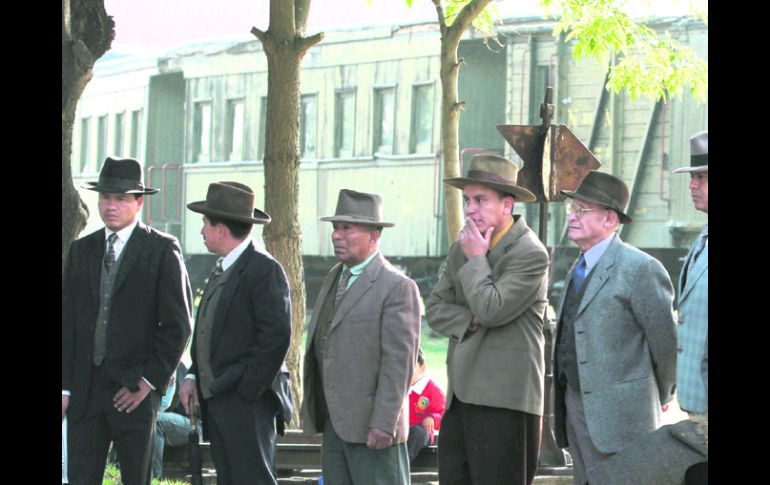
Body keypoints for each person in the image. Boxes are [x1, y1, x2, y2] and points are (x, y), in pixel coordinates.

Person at [62, 156, 193, 485]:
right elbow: (67, 324)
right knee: (79, 477)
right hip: (84, 390)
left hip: (132, 391)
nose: (111, 205)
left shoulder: (162, 249)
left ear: (139, 202)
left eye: (120, 198)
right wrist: (64, 387)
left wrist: (148, 383)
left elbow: (178, 325)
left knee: (136, 477)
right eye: (105, 197)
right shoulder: (82, 251)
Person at [425, 154, 549, 485]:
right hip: (461, 398)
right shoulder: (461, 247)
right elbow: (435, 308)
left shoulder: (529, 253)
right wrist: (469, 321)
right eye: (467, 200)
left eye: (480, 200)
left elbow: (492, 309)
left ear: (507, 205)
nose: (470, 209)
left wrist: (477, 259)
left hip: (506, 402)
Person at [552, 170, 678, 485]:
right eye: (572, 209)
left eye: (582, 210)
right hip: (575, 407)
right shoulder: (578, 268)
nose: (572, 216)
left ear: (610, 220)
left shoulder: (641, 269)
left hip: (622, 418)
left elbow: (667, 345)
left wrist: (658, 393)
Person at [301, 188, 421, 485]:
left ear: (374, 236)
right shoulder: (335, 276)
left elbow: (399, 364)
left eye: (347, 228)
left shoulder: (396, 287)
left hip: (374, 432)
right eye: (335, 227)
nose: (337, 235)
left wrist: (384, 423)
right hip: (336, 426)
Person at [178, 181, 292, 485]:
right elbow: (211, 333)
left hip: (247, 405)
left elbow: (275, 338)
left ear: (220, 229)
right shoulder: (225, 267)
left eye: (205, 223)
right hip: (222, 401)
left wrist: (245, 392)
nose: (201, 231)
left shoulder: (263, 269)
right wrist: (194, 376)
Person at [672, 130, 708, 483]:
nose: (692, 185)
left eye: (701, 177)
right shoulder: (703, 237)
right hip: (696, 406)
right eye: (693, 177)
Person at [151, 361, 192, 480]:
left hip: (190, 422)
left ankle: (154, 477)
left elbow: (166, 405)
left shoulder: (175, 368)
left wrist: (165, 387)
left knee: (155, 419)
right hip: (167, 417)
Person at [407, 347, 446, 464]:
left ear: (422, 367)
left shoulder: (432, 389)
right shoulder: (398, 387)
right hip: (401, 429)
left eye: (410, 367)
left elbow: (443, 413)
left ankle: (402, 465)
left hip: (421, 431)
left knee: (418, 434)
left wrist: (432, 418)